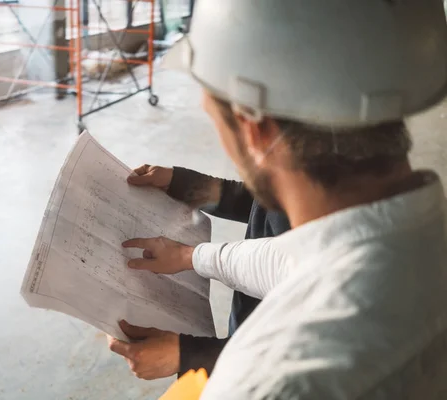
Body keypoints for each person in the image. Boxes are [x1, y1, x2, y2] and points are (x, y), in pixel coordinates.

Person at [112, 0, 447, 398]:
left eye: (213, 112)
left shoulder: (270, 383)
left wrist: (190, 354)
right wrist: (191, 255)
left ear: (255, 129)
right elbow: (291, 258)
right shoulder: (409, 236)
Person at [108, 164, 289, 379]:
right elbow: (272, 203)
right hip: (247, 332)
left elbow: (305, 360)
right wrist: (190, 186)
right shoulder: (314, 169)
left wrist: (191, 356)